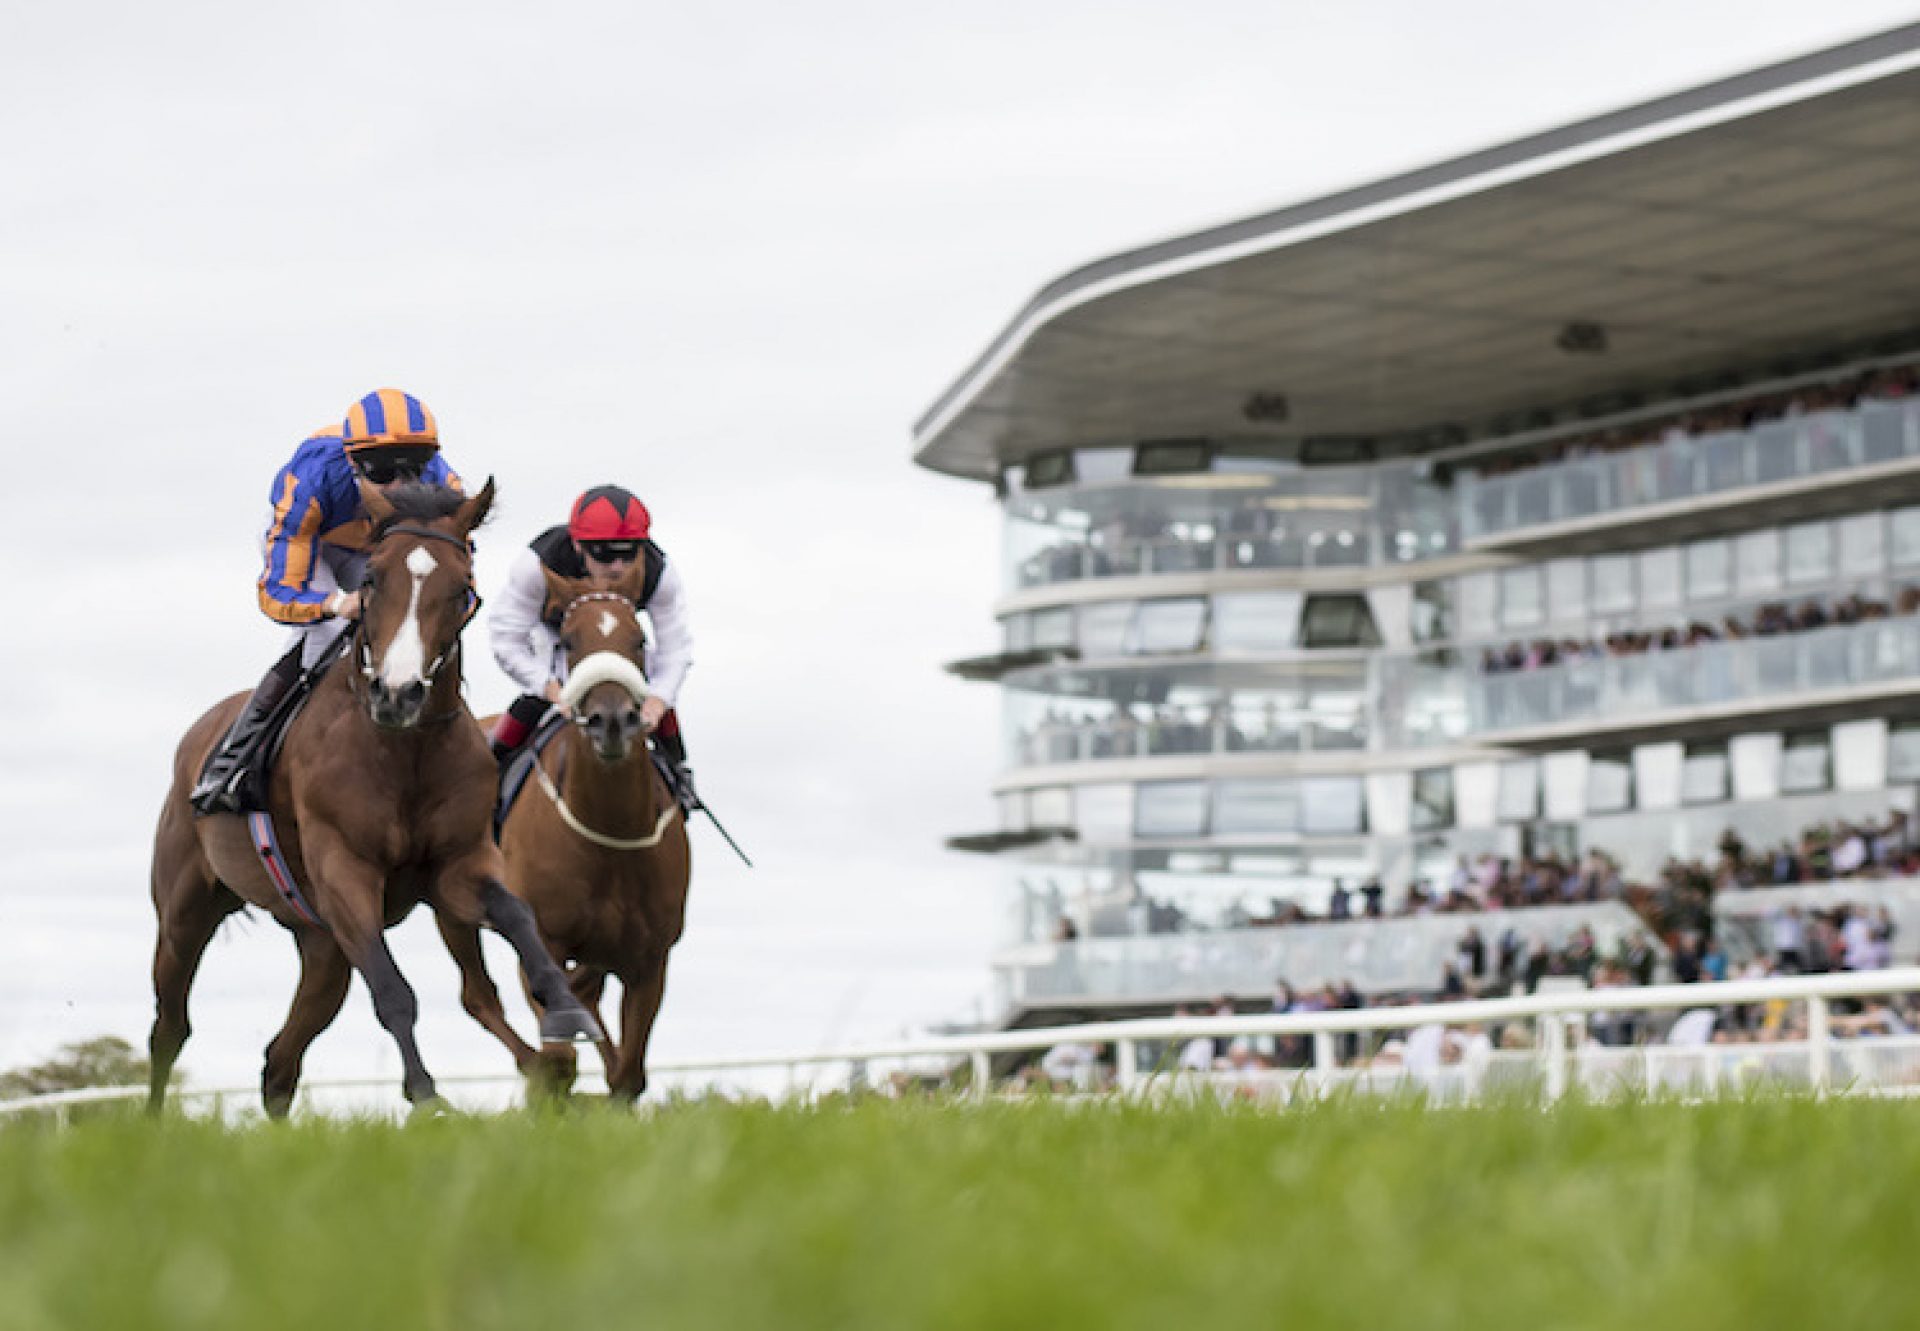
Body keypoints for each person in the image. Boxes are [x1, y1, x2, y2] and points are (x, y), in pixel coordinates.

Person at [190, 389, 461, 815]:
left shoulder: (446, 487)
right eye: (382, 472)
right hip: (315, 547)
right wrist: (336, 604)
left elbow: (456, 582)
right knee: (325, 636)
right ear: (353, 463)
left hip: (381, 550)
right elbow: (279, 591)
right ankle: (236, 757)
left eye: (412, 469)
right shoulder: (310, 481)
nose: (398, 487)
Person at [487, 483, 697, 804]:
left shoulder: (659, 571)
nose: (618, 567)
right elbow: (506, 636)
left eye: (629, 553)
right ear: (577, 545)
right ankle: (494, 771)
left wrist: (658, 700)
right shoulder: (536, 565)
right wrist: (549, 689)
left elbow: (675, 648)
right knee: (535, 696)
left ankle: (679, 774)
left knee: (656, 691)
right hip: (555, 641)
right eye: (604, 554)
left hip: (619, 641)